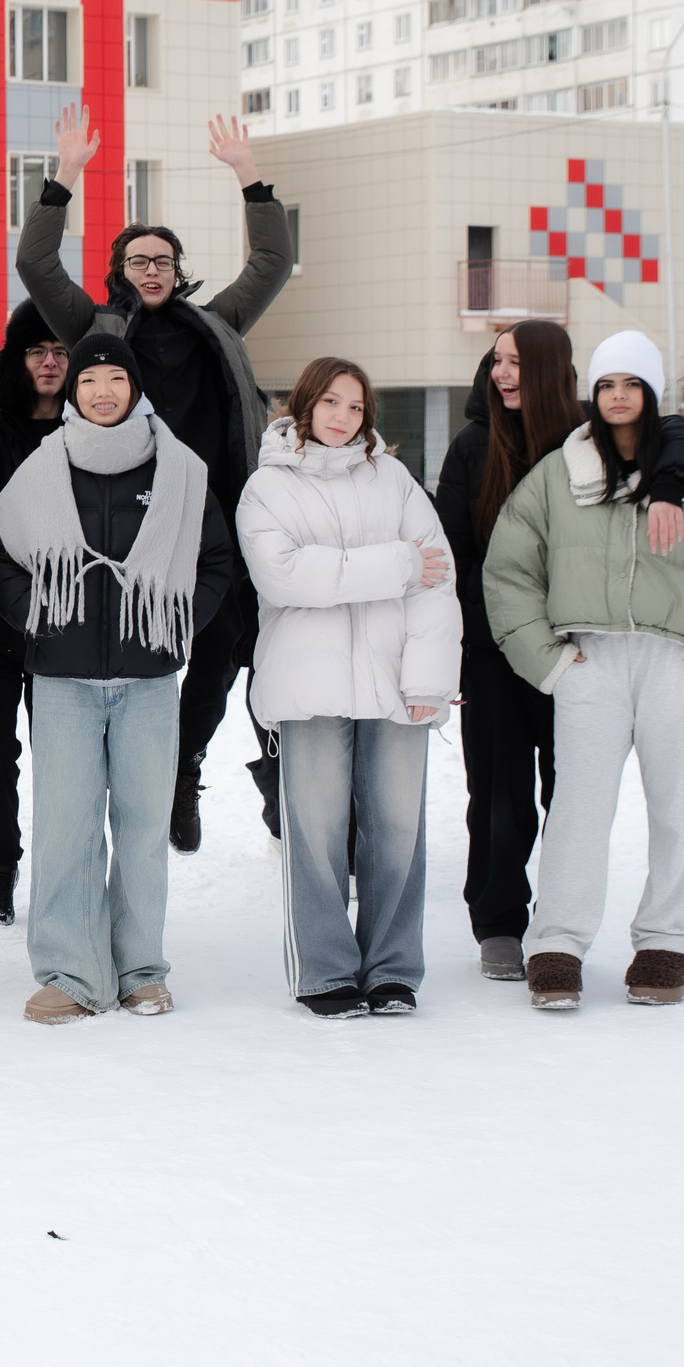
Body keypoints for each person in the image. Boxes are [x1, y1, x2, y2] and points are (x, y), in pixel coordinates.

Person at [16, 108, 292, 852]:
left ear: (178, 268)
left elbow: (272, 264)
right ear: (120, 270)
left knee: (225, 640)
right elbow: (37, 266)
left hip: (217, 514)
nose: (151, 269)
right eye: (138, 259)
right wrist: (64, 176)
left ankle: (183, 765)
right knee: (148, 645)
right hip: (131, 521)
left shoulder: (219, 322)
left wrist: (247, 176)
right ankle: (136, 780)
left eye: (162, 259)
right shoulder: (96, 329)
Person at [483, 331, 684, 1013]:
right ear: (594, 393)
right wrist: (550, 661)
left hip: (677, 660)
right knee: (579, 806)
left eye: (633, 384)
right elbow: (510, 572)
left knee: (679, 803)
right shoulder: (557, 475)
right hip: (591, 660)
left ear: (651, 393)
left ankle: (666, 939)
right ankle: (556, 942)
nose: (619, 395)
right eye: (608, 383)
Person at [432, 321, 684, 980]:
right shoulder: (472, 447)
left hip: (580, 653)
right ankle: (499, 920)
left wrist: (668, 485)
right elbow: (450, 557)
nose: (503, 374)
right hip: (496, 652)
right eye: (497, 361)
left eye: (518, 364)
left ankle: (561, 925)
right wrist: (461, 647)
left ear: (554, 372)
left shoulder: (589, 444)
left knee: (572, 793)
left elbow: (683, 434)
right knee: (498, 794)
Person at [0, 335, 233, 1023]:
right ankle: (69, 970)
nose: (101, 390)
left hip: (149, 679)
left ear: (135, 387)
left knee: (142, 827)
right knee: (65, 828)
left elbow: (215, 560)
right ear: (72, 389)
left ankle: (140, 968)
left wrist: (176, 620)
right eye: (88, 378)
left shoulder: (179, 469)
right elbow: (0, 553)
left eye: (114, 378)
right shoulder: (42, 468)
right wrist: (36, 620)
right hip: (62, 681)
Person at [237, 358, 462, 1018]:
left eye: (356, 407)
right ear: (304, 404)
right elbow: (285, 577)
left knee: (398, 828)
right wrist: (393, 563)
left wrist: (428, 676)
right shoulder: (268, 488)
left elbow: (437, 576)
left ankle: (392, 969)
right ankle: (325, 970)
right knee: (315, 829)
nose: (342, 416)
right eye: (330, 402)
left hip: (396, 682)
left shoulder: (393, 480)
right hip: (309, 682)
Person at [0, 302, 69, 924]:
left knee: (63, 751)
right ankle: (1, 865)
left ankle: (61, 869)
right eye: (36, 350)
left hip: (65, 619)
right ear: (15, 360)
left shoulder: (87, 434)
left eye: (60, 350)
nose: (49, 361)